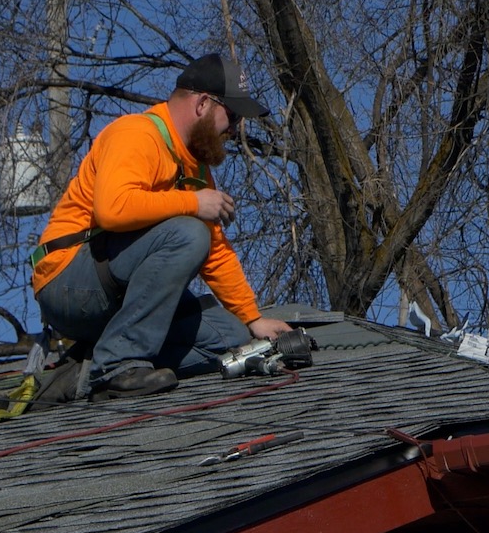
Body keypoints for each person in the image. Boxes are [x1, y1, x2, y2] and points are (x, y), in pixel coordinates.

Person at [30, 53, 293, 398]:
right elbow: (113, 210)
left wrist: (252, 317)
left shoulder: (195, 170)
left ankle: (84, 374)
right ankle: (116, 366)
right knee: (188, 232)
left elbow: (215, 252)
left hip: (116, 292)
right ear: (202, 104)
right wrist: (194, 204)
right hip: (66, 283)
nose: (233, 128)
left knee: (231, 338)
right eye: (231, 115)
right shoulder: (136, 134)